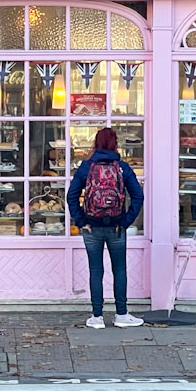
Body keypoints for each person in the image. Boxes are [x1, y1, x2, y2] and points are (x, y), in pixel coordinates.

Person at [67, 127, 145, 329]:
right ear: (115, 144)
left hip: (91, 226)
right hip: (116, 226)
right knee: (119, 269)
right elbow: (138, 196)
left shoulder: (86, 167)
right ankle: (121, 314)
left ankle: (97, 317)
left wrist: (81, 221)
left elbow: (71, 196)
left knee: (96, 270)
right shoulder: (122, 168)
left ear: (96, 143)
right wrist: (126, 221)